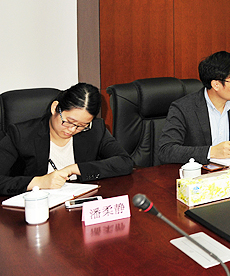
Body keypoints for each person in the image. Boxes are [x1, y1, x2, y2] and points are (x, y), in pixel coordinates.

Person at [0, 83, 133, 196]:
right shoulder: (21, 134)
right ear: (55, 108)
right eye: (68, 121)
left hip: (78, 206)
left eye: (81, 126)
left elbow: (125, 162)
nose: (72, 129)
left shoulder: (95, 130)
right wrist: (38, 182)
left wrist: (75, 169)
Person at [159, 51, 230, 164]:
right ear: (216, 85)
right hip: (199, 174)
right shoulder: (183, 108)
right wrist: (211, 152)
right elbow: (166, 150)